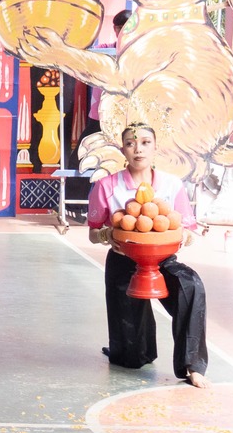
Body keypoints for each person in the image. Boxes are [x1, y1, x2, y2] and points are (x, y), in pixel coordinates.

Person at [87, 123, 208, 387]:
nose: (138, 149)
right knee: (132, 358)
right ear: (123, 149)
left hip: (162, 259)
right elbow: (92, 233)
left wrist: (185, 235)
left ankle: (192, 365)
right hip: (124, 260)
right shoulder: (106, 186)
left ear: (155, 148)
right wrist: (106, 234)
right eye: (131, 144)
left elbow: (187, 227)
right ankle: (131, 350)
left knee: (191, 285)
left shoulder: (171, 185)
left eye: (145, 143)